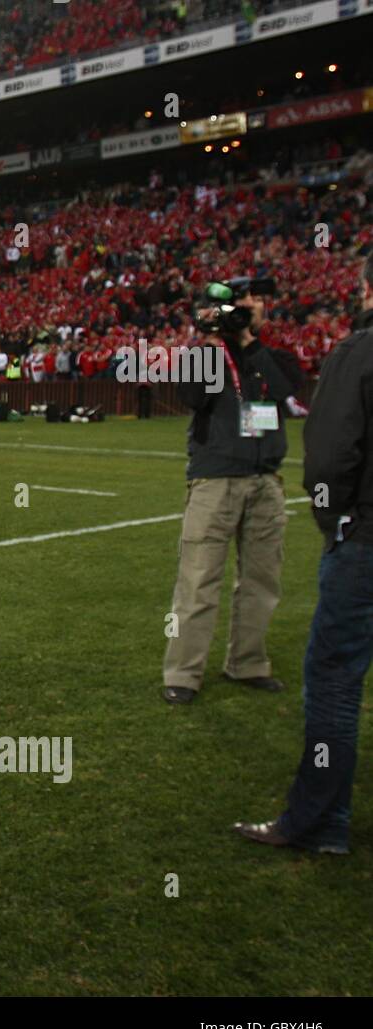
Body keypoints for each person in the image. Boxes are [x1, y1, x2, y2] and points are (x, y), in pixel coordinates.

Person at [235, 254, 373, 855]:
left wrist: (334, 517)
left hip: (365, 538)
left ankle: (320, 821)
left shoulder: (358, 351)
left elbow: (327, 454)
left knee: (337, 680)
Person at [162, 278, 300, 705]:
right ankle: (183, 673)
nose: (242, 310)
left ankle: (249, 662)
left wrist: (247, 340)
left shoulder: (271, 356)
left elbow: (286, 389)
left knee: (262, 580)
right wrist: (210, 342)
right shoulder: (204, 355)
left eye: (249, 303)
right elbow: (190, 395)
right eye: (235, 305)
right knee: (199, 578)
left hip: (266, 480)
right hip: (215, 479)